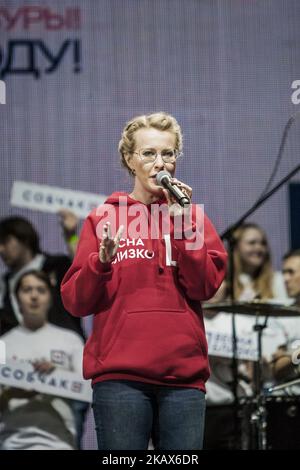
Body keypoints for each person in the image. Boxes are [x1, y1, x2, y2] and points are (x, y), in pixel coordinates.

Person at [61, 111, 227, 450]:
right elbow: (75, 302)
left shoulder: (192, 217)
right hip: (121, 379)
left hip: (183, 380)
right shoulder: (104, 217)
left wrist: (182, 227)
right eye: (149, 153)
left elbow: (204, 287)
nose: (160, 163)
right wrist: (100, 262)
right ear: (129, 159)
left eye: (168, 154)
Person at [203, 223, 289, 450]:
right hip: (208, 402)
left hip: (248, 395)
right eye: (251, 242)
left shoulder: (278, 283)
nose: (259, 248)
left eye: (262, 243)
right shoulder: (219, 296)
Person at [0, 270, 85, 450]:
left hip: (61, 441)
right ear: (16, 299)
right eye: (27, 290)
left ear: (50, 297)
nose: (34, 296)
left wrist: (57, 375)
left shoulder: (70, 340)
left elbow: (88, 388)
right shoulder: (3, 344)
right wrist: (11, 393)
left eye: (41, 290)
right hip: (12, 441)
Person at [0, 216, 84, 338]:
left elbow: (86, 271)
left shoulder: (59, 265)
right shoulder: (4, 283)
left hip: (65, 350)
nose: (1, 249)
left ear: (24, 239)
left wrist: (71, 236)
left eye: (5, 241)